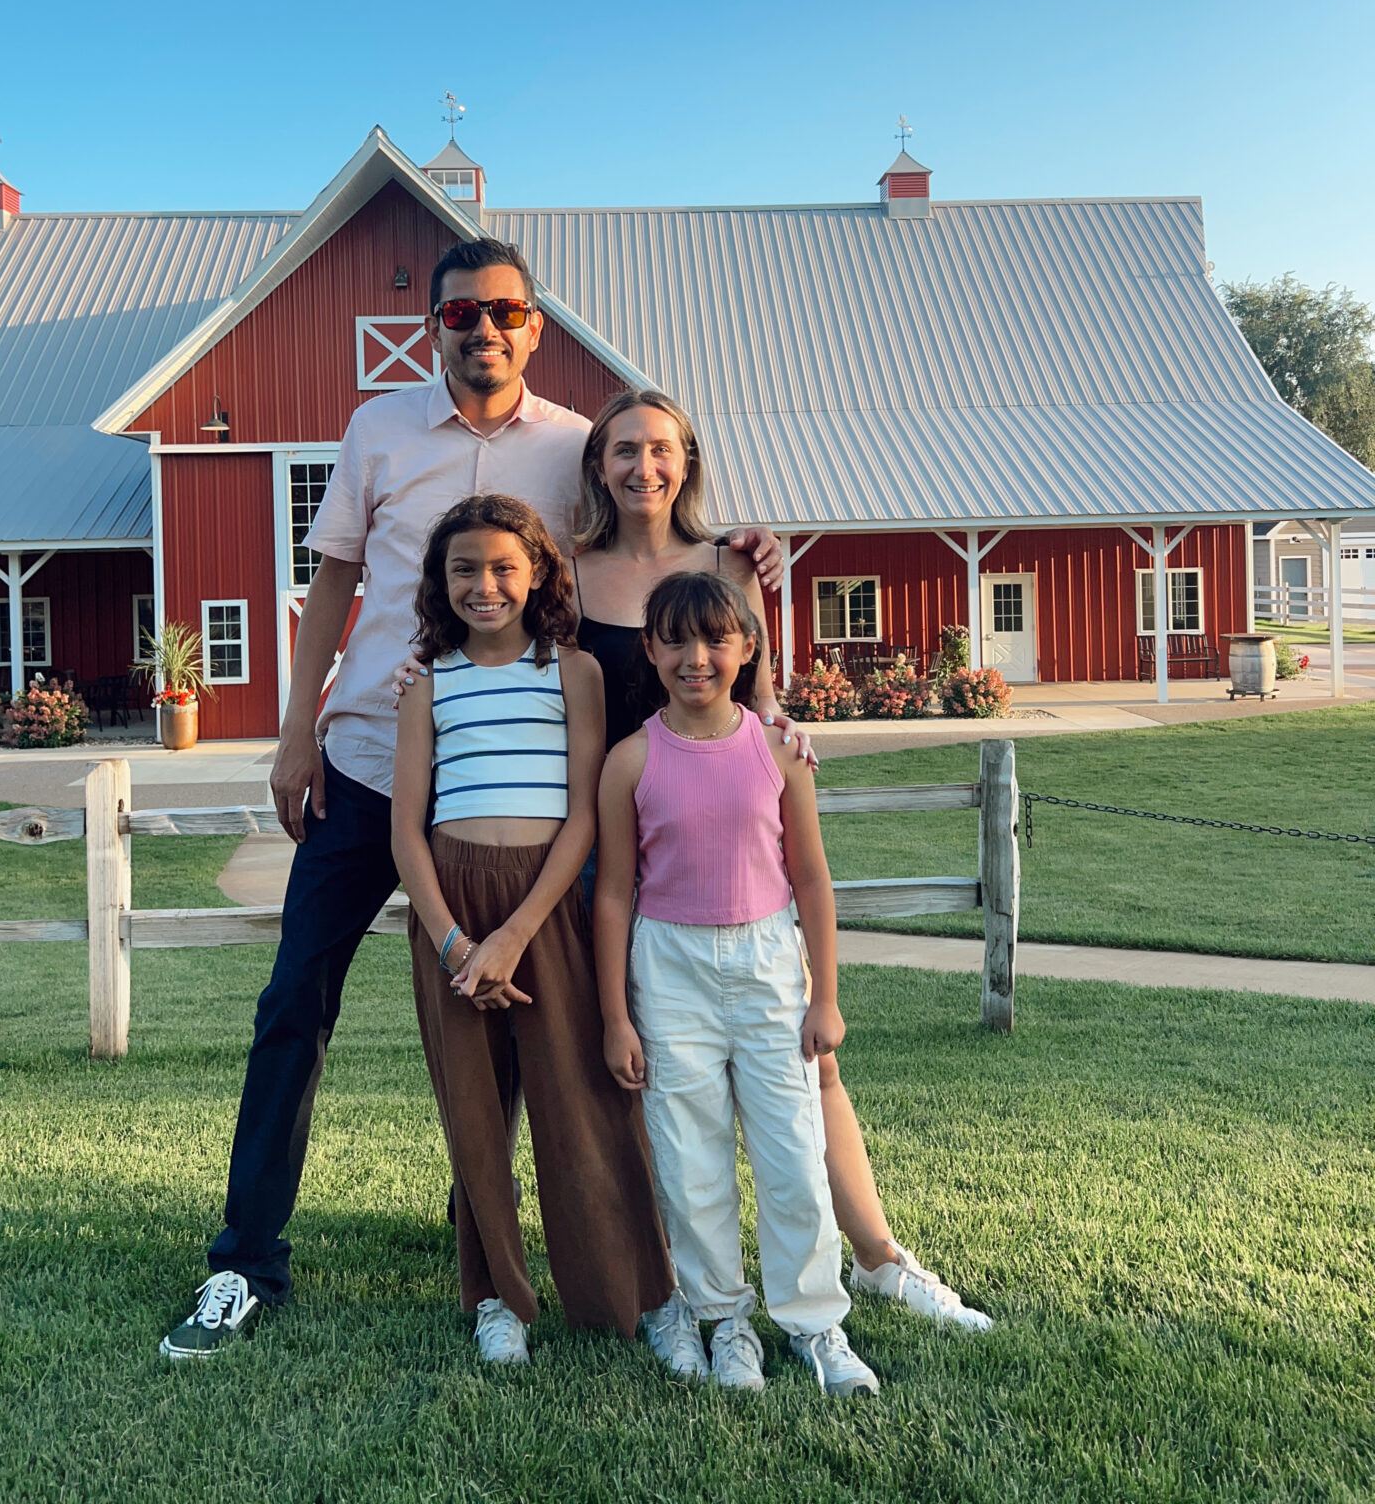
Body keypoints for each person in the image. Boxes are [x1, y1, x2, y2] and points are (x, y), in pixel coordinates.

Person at [160, 236, 779, 1360]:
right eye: (458, 316)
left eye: (503, 312)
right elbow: (333, 585)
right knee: (295, 998)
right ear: (431, 328)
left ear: (534, 325)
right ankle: (245, 1261)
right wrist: (296, 733)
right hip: (366, 763)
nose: (481, 330)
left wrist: (733, 554)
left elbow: (644, 528)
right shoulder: (376, 431)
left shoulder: (573, 448)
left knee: (546, 1020)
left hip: (527, 789)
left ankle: (502, 1243)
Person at [570, 388, 991, 1331]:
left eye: (663, 450)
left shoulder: (730, 561)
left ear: (687, 463)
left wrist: (787, 732)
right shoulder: (569, 574)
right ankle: (678, 1285)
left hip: (737, 860)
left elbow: (761, 701)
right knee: (651, 1083)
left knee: (813, 1070)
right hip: (621, 851)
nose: (645, 467)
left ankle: (880, 1256)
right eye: (625, 449)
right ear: (597, 463)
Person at [391, 494, 676, 1363]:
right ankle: (499, 1300)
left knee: (586, 1102)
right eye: (464, 569)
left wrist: (515, 934)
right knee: (474, 1115)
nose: (485, 585)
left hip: (545, 904)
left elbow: (587, 816)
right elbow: (405, 828)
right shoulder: (426, 683)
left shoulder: (573, 671)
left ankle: (637, 1293)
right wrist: (453, 943)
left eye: (505, 567)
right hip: (451, 903)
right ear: (441, 583)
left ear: (541, 572)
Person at [596, 570, 879, 1397]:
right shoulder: (631, 760)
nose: (695, 658)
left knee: (791, 1151)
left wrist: (824, 997)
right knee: (689, 1157)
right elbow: (613, 893)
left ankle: (815, 1323)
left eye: (715, 639)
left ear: (747, 648)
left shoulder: (780, 752)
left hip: (766, 965)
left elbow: (814, 881)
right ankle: (723, 1321)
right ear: (649, 650)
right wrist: (616, 1016)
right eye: (675, 641)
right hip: (669, 966)